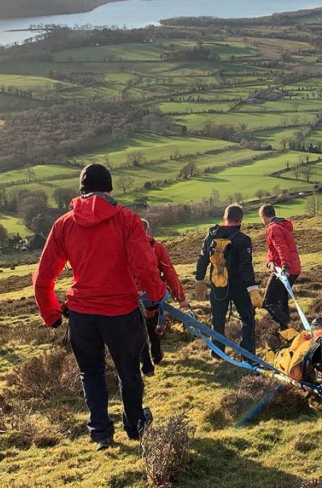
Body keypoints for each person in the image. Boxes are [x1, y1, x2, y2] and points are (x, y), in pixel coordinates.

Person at [32, 163, 172, 451]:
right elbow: (145, 267)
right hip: (121, 312)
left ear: (81, 189)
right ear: (109, 188)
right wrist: (156, 297)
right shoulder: (128, 220)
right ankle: (135, 426)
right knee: (128, 372)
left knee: (91, 373)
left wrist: (51, 313)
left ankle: (100, 433)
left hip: (82, 315)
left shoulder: (64, 224)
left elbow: (43, 275)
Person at [194, 204, 263, 356]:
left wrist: (199, 280)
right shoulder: (243, 240)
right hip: (239, 286)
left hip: (218, 285)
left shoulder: (211, 236)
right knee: (247, 318)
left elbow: (202, 258)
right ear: (240, 220)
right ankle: (248, 353)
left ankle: (217, 353)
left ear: (224, 218)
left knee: (217, 319)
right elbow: (246, 266)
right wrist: (252, 289)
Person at [139, 218, 186, 377]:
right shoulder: (157, 248)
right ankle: (157, 356)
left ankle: (146, 365)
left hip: (131, 299)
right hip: (152, 296)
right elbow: (169, 272)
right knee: (154, 327)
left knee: (138, 331)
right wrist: (181, 298)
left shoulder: (124, 248)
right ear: (148, 230)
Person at [259, 203, 302, 331]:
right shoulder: (282, 226)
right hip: (293, 268)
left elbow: (281, 248)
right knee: (282, 302)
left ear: (263, 216)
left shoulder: (273, 228)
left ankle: (288, 328)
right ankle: (288, 333)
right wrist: (269, 261)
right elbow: (273, 251)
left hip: (283, 270)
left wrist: (285, 267)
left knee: (268, 301)